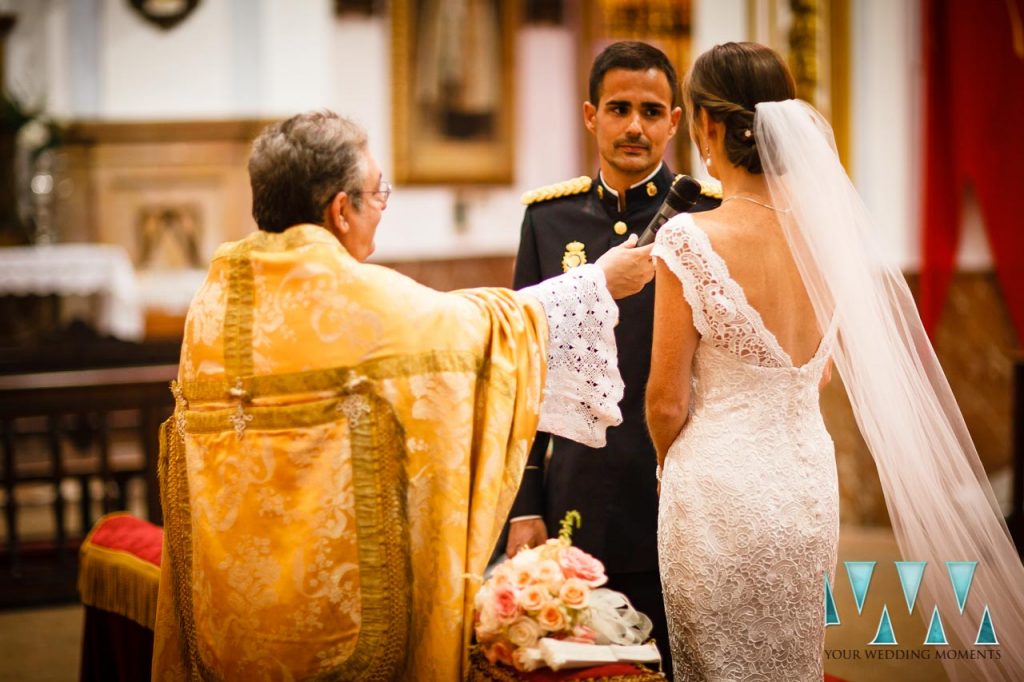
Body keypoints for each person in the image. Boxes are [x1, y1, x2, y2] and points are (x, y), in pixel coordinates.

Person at [151, 110, 655, 681]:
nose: (381, 206)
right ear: (341, 210)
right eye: (378, 192)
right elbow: (487, 331)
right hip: (343, 627)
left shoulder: (213, 303)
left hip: (235, 616)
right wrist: (596, 284)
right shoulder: (354, 299)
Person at [647, 42, 1024, 680]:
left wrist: (667, 466)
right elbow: (815, 373)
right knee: (795, 662)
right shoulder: (824, 235)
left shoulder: (688, 237)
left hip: (715, 491)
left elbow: (666, 402)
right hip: (805, 490)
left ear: (707, 124)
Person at [507, 40, 718, 674]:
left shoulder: (708, 215)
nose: (635, 126)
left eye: (652, 111)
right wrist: (524, 505)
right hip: (580, 491)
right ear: (590, 114)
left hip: (679, 489)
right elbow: (526, 371)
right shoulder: (547, 221)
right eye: (619, 108)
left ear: (675, 122)